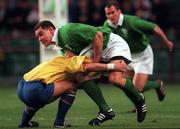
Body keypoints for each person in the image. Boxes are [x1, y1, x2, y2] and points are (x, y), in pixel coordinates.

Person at [34, 20, 147, 125]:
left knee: (115, 79)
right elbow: (79, 63)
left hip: (112, 45)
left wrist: (95, 63)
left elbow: (98, 35)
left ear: (51, 30)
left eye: (41, 34)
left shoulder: (68, 31)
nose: (39, 39)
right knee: (80, 78)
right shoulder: (61, 46)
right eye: (37, 36)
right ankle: (105, 110)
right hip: (99, 52)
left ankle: (139, 98)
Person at [17, 55, 127, 128]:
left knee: (36, 99)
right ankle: (59, 122)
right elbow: (89, 66)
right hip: (34, 89)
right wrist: (112, 65)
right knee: (71, 87)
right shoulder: (71, 60)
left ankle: (24, 123)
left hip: (21, 87)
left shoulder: (56, 60)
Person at [103, 2, 174, 112]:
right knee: (125, 85)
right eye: (108, 14)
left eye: (113, 12)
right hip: (127, 56)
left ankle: (157, 84)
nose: (111, 16)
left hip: (142, 55)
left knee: (136, 88)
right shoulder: (107, 25)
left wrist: (166, 41)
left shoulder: (131, 21)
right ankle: (138, 105)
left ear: (119, 12)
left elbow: (154, 27)